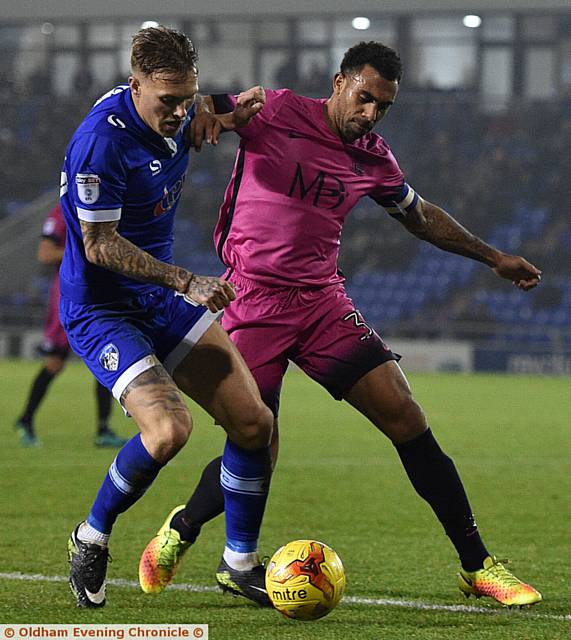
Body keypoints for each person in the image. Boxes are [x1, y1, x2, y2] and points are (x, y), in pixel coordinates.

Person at [139, 41, 543, 608]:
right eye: (365, 98)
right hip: (252, 299)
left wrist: (492, 256)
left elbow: (420, 217)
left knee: (406, 415)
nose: (371, 114)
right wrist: (207, 109)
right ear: (338, 82)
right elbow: (195, 103)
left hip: (322, 302)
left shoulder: (375, 158)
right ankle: (183, 528)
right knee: (258, 441)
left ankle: (478, 566)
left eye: (383, 106)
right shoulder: (276, 110)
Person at [59, 25, 275, 609]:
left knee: (255, 424)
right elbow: (100, 245)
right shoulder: (100, 144)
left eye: (188, 97)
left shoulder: (179, 111)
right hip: (102, 310)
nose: (180, 112)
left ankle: (239, 563)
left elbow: (207, 109)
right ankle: (91, 535)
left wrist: (229, 108)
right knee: (168, 431)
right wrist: (186, 281)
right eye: (167, 101)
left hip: (156, 300)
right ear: (135, 86)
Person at [15, 203, 126, 448]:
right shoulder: (62, 212)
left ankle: (103, 429)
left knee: (107, 359)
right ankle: (26, 419)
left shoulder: (102, 209)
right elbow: (45, 254)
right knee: (55, 363)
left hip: (97, 296)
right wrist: (84, 251)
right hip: (69, 297)